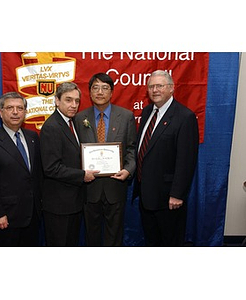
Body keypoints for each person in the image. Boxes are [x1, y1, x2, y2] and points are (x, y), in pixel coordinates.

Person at [134, 70, 199, 246]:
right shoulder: (148, 111)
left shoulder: (185, 117)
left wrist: (177, 194)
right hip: (147, 196)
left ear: (171, 88)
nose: (155, 90)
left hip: (168, 199)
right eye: (151, 86)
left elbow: (186, 160)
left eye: (160, 86)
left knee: (170, 243)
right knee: (152, 241)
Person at [74, 73, 136, 246]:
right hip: (89, 188)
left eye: (105, 88)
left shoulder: (126, 116)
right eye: (95, 87)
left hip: (115, 186)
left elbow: (131, 149)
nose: (100, 92)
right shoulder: (79, 118)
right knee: (90, 236)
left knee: (114, 236)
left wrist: (128, 170)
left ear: (112, 92)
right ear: (89, 92)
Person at [0, 92, 43, 246]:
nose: (15, 112)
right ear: (1, 112)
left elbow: (36, 175)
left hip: (33, 215)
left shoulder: (33, 137)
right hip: (7, 218)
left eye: (20, 108)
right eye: (10, 108)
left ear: (25, 113)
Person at [40, 82, 98, 246]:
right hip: (59, 206)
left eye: (77, 101)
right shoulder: (52, 127)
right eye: (68, 100)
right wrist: (82, 175)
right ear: (57, 101)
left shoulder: (71, 123)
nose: (74, 105)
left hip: (73, 202)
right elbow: (51, 168)